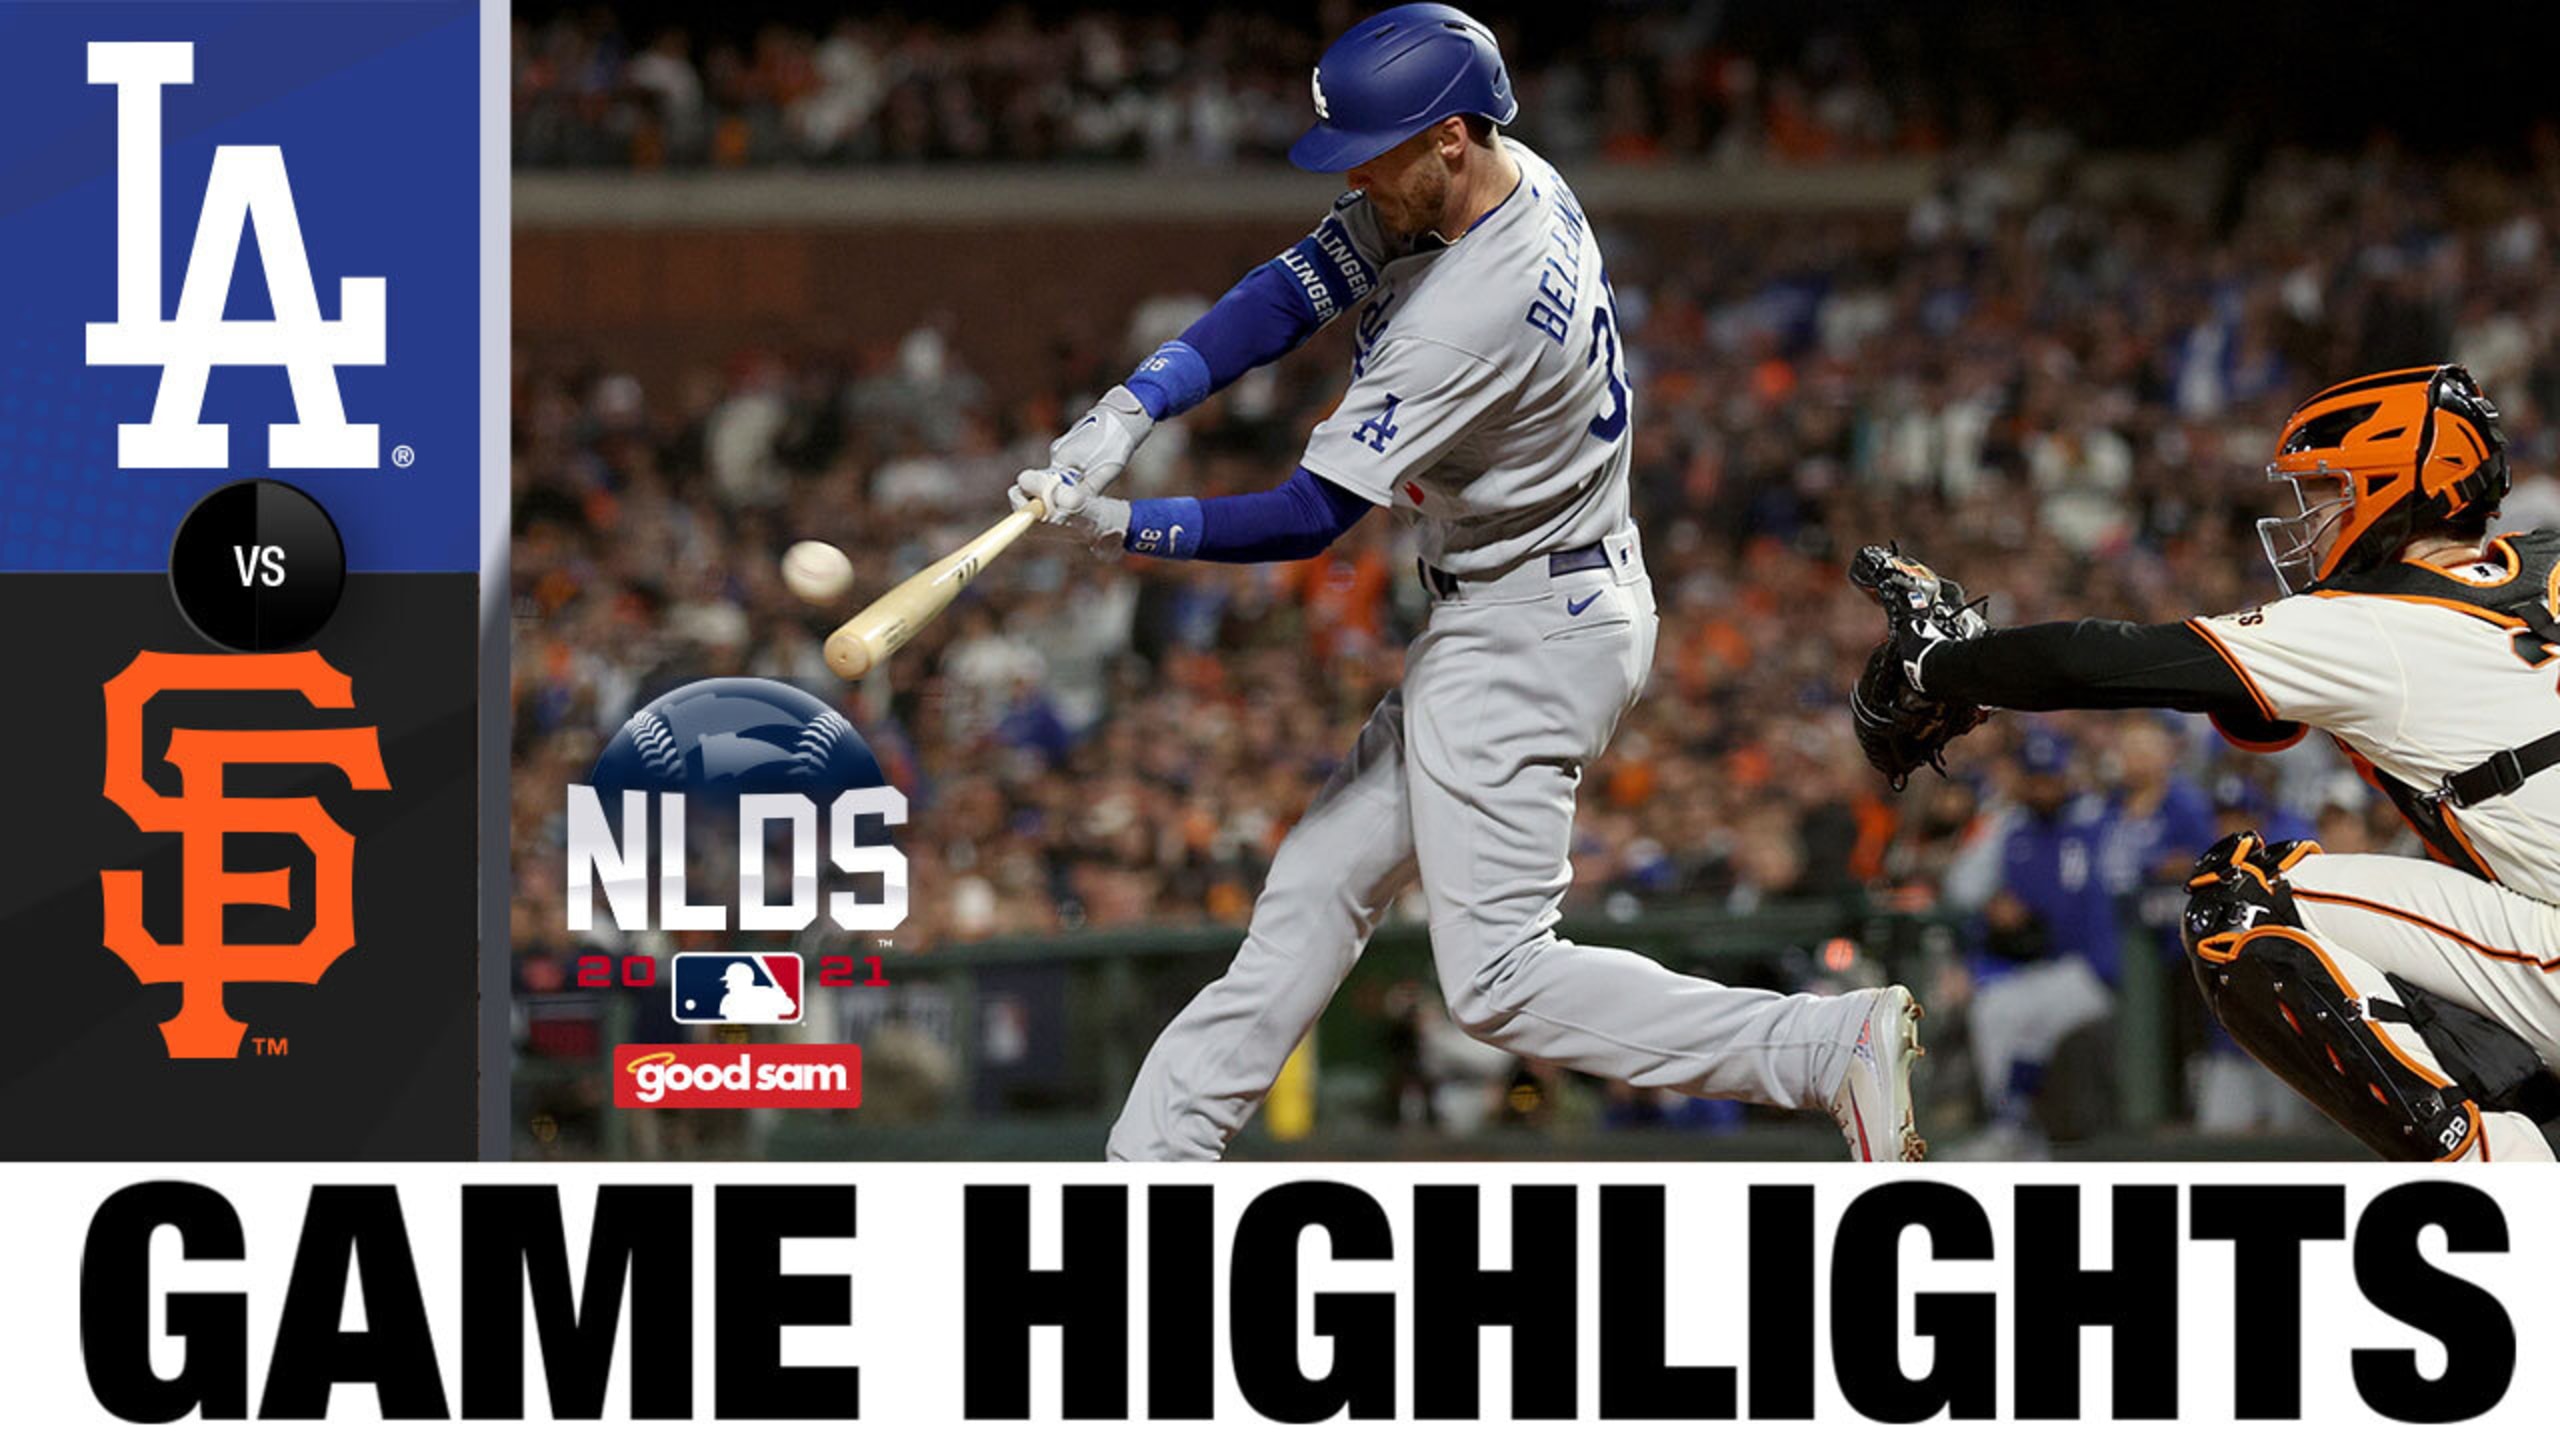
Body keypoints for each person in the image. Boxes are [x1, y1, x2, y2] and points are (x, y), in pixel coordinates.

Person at [1009, 4, 1923, 1162]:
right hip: (1532, 598)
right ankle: (1148, 1171)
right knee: (1313, 891)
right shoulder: (1500, 170)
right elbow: (1297, 285)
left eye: (1371, 153)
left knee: (1496, 983)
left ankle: (1817, 1046)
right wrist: (1132, 406)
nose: (1353, 178)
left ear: (1448, 137)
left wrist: (1122, 528)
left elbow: (1305, 520)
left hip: (1528, 626)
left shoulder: (1470, 311)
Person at [1859, 364, 2560, 1160]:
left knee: (2246, 903)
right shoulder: (2547, 562)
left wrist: (1945, 663)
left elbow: (2116, 661)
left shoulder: (2373, 624)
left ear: (2391, 485)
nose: (2313, 515)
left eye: (2329, 489)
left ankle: (2501, 1173)